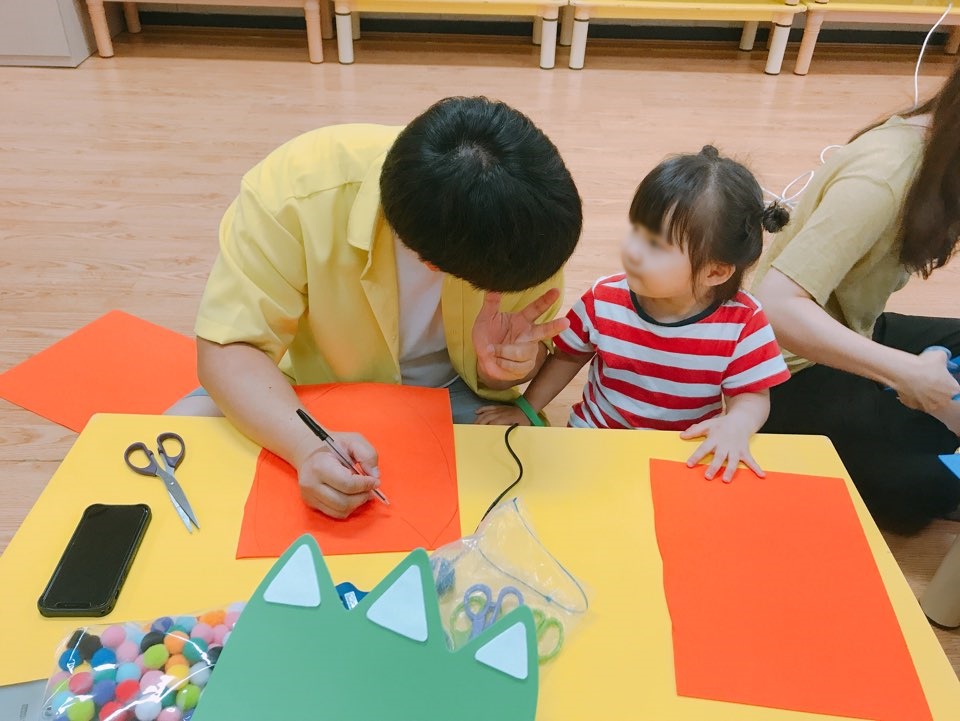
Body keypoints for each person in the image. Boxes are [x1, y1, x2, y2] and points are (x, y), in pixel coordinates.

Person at [175, 97, 582, 519]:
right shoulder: (298, 189)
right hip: (314, 383)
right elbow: (229, 349)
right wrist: (307, 446)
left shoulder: (529, 225)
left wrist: (504, 368)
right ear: (432, 265)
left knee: (530, 503)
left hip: (457, 393)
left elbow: (520, 365)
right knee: (176, 432)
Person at [477, 146, 791, 482]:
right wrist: (526, 409)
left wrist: (737, 425)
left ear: (714, 272)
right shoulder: (604, 299)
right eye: (635, 232)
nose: (632, 251)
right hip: (595, 438)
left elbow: (752, 394)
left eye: (655, 246)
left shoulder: (743, 323)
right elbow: (567, 357)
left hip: (681, 453)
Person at [753, 63, 960, 534]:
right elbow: (775, 306)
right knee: (923, 485)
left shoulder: (938, 152)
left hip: (852, 329)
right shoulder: (883, 177)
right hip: (785, 371)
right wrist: (905, 373)